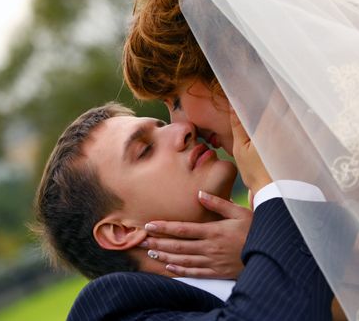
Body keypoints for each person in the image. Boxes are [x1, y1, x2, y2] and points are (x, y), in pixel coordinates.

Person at [123, 0, 359, 319]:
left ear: (219, 60)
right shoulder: (270, 177)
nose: (182, 127)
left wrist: (292, 248)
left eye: (175, 99)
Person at [34, 102, 339, 320]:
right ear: (121, 231)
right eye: (145, 150)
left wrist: (255, 255)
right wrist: (274, 190)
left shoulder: (262, 254)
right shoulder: (111, 310)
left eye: (163, 126)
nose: (183, 128)